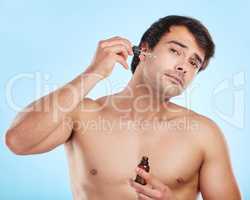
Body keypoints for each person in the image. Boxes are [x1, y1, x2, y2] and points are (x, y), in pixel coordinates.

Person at [5, 15, 241, 200]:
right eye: (175, 50)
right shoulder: (84, 115)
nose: (184, 67)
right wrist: (94, 72)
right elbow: (18, 141)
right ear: (145, 50)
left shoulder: (204, 134)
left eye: (194, 62)